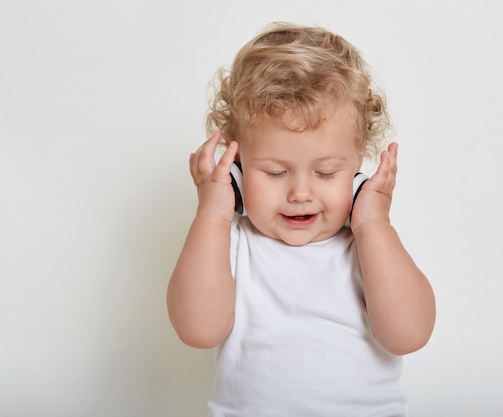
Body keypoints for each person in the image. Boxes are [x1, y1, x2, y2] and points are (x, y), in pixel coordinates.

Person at [167, 22, 436, 417]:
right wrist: (212, 213)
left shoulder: (372, 244)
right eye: (275, 172)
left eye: (326, 172)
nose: (301, 193)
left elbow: (410, 335)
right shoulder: (232, 242)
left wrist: (373, 225)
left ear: (357, 166)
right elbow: (197, 330)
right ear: (237, 169)